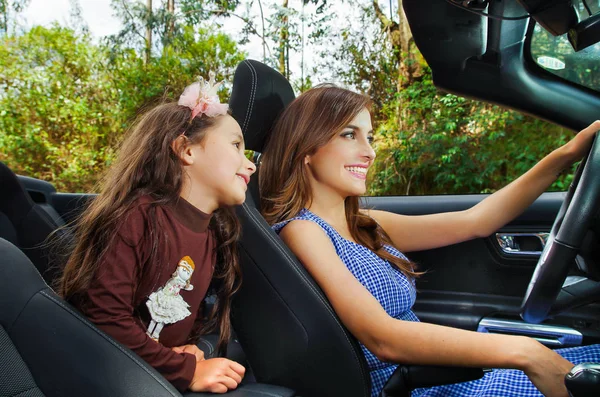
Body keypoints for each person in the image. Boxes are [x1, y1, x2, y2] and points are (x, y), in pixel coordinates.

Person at [259, 84, 600, 397]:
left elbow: (477, 221)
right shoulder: (303, 231)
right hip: (411, 388)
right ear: (307, 148)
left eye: (370, 137)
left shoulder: (365, 224)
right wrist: (526, 352)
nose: (369, 152)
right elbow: (383, 337)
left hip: (436, 378)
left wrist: (567, 155)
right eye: (350, 135)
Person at [58, 72, 255, 393]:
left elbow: (177, 320)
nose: (251, 165)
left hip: (149, 376)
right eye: (236, 146)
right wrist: (186, 370)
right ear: (186, 150)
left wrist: (193, 348)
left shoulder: (210, 235)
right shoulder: (138, 217)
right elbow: (104, 320)